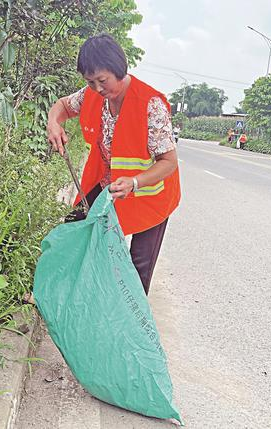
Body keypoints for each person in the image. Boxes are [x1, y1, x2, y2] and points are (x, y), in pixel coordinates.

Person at [47, 34, 180, 295]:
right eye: (90, 82)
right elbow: (62, 105)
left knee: (137, 268)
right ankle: (60, 296)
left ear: (119, 69)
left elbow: (168, 162)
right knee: (73, 232)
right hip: (109, 184)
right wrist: (54, 122)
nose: (97, 88)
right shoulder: (92, 95)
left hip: (150, 196)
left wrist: (134, 182)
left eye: (102, 80)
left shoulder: (150, 104)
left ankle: (126, 329)